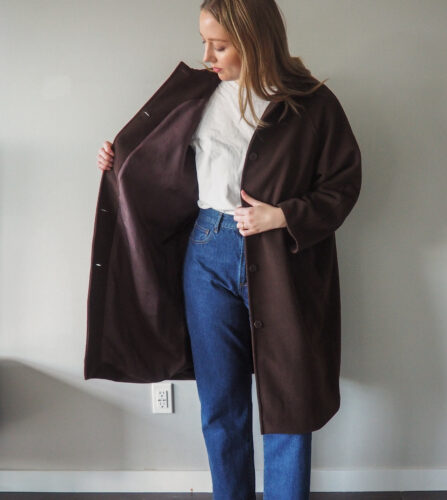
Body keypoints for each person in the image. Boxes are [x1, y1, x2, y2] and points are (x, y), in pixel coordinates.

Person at [95, 1, 361, 498]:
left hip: (282, 259)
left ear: (255, 41)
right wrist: (118, 159)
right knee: (221, 402)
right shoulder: (195, 94)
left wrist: (283, 216)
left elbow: (343, 184)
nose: (206, 56)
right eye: (204, 43)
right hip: (207, 252)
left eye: (219, 46)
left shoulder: (312, 103)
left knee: (289, 403)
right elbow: (153, 159)